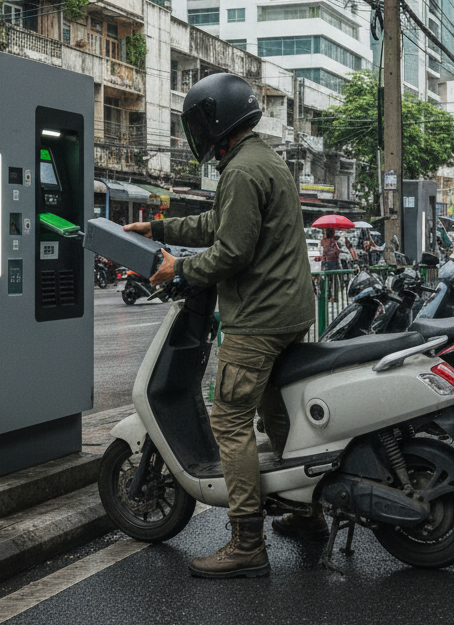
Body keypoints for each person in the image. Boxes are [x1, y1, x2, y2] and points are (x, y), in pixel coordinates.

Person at [124, 72, 315, 579]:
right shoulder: (264, 160)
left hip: (258, 318)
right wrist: (159, 228)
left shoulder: (241, 171)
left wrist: (178, 269)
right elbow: (218, 223)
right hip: (290, 312)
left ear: (215, 120)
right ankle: (306, 509)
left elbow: (231, 250)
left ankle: (246, 541)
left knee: (229, 420)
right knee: (278, 414)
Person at [320, 228, 340, 299]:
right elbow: (336, 252)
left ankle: (327, 296)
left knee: (326, 279)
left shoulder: (325, 241)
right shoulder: (333, 241)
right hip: (332, 262)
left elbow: (324, 250)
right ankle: (334, 296)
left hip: (326, 262)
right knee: (334, 280)